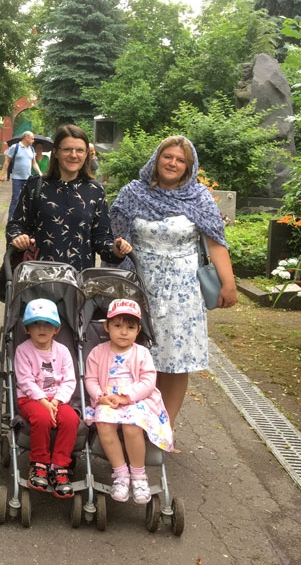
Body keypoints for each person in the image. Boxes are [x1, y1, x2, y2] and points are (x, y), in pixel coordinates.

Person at [109, 135, 237, 423]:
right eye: (168, 157)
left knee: (176, 361)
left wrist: (229, 285)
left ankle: (164, 427)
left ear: (189, 167)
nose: (173, 163)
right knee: (137, 355)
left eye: (181, 160)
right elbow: (114, 237)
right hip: (140, 286)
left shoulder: (199, 196)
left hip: (183, 291)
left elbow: (215, 242)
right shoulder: (132, 193)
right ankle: (134, 422)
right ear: (156, 160)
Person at [6, 124, 131, 271]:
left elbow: (101, 238)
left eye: (80, 150)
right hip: (38, 276)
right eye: (67, 149)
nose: (73, 155)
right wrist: (18, 237)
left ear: (86, 154)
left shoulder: (95, 192)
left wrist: (115, 250)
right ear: (55, 152)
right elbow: (15, 225)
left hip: (78, 278)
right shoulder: (35, 186)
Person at [84, 299, 174, 504]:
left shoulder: (141, 353)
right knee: (104, 424)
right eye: (118, 326)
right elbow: (90, 379)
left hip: (136, 399)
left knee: (132, 425)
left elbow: (148, 381)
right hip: (107, 399)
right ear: (107, 327)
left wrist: (127, 396)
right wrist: (100, 397)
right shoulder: (97, 352)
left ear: (138, 330)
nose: (124, 332)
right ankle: (121, 474)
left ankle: (138, 475)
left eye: (130, 327)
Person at [14, 298, 79, 498]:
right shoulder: (23, 350)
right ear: (27, 329)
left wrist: (56, 401)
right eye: (36, 324)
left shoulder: (63, 351)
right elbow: (25, 381)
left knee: (71, 419)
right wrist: (44, 402)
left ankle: (60, 466)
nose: (42, 328)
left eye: (47, 324)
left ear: (56, 329)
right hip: (31, 399)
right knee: (42, 418)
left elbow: (69, 380)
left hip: (57, 399)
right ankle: (39, 464)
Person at [0, 131, 41, 220]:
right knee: (15, 199)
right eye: (32, 139)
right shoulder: (15, 147)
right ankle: (11, 219)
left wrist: (40, 173)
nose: (33, 141)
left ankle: (25, 219)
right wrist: (2, 175)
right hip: (17, 178)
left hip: (28, 178)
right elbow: (7, 161)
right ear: (26, 138)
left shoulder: (31, 149)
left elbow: (34, 163)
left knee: (28, 199)